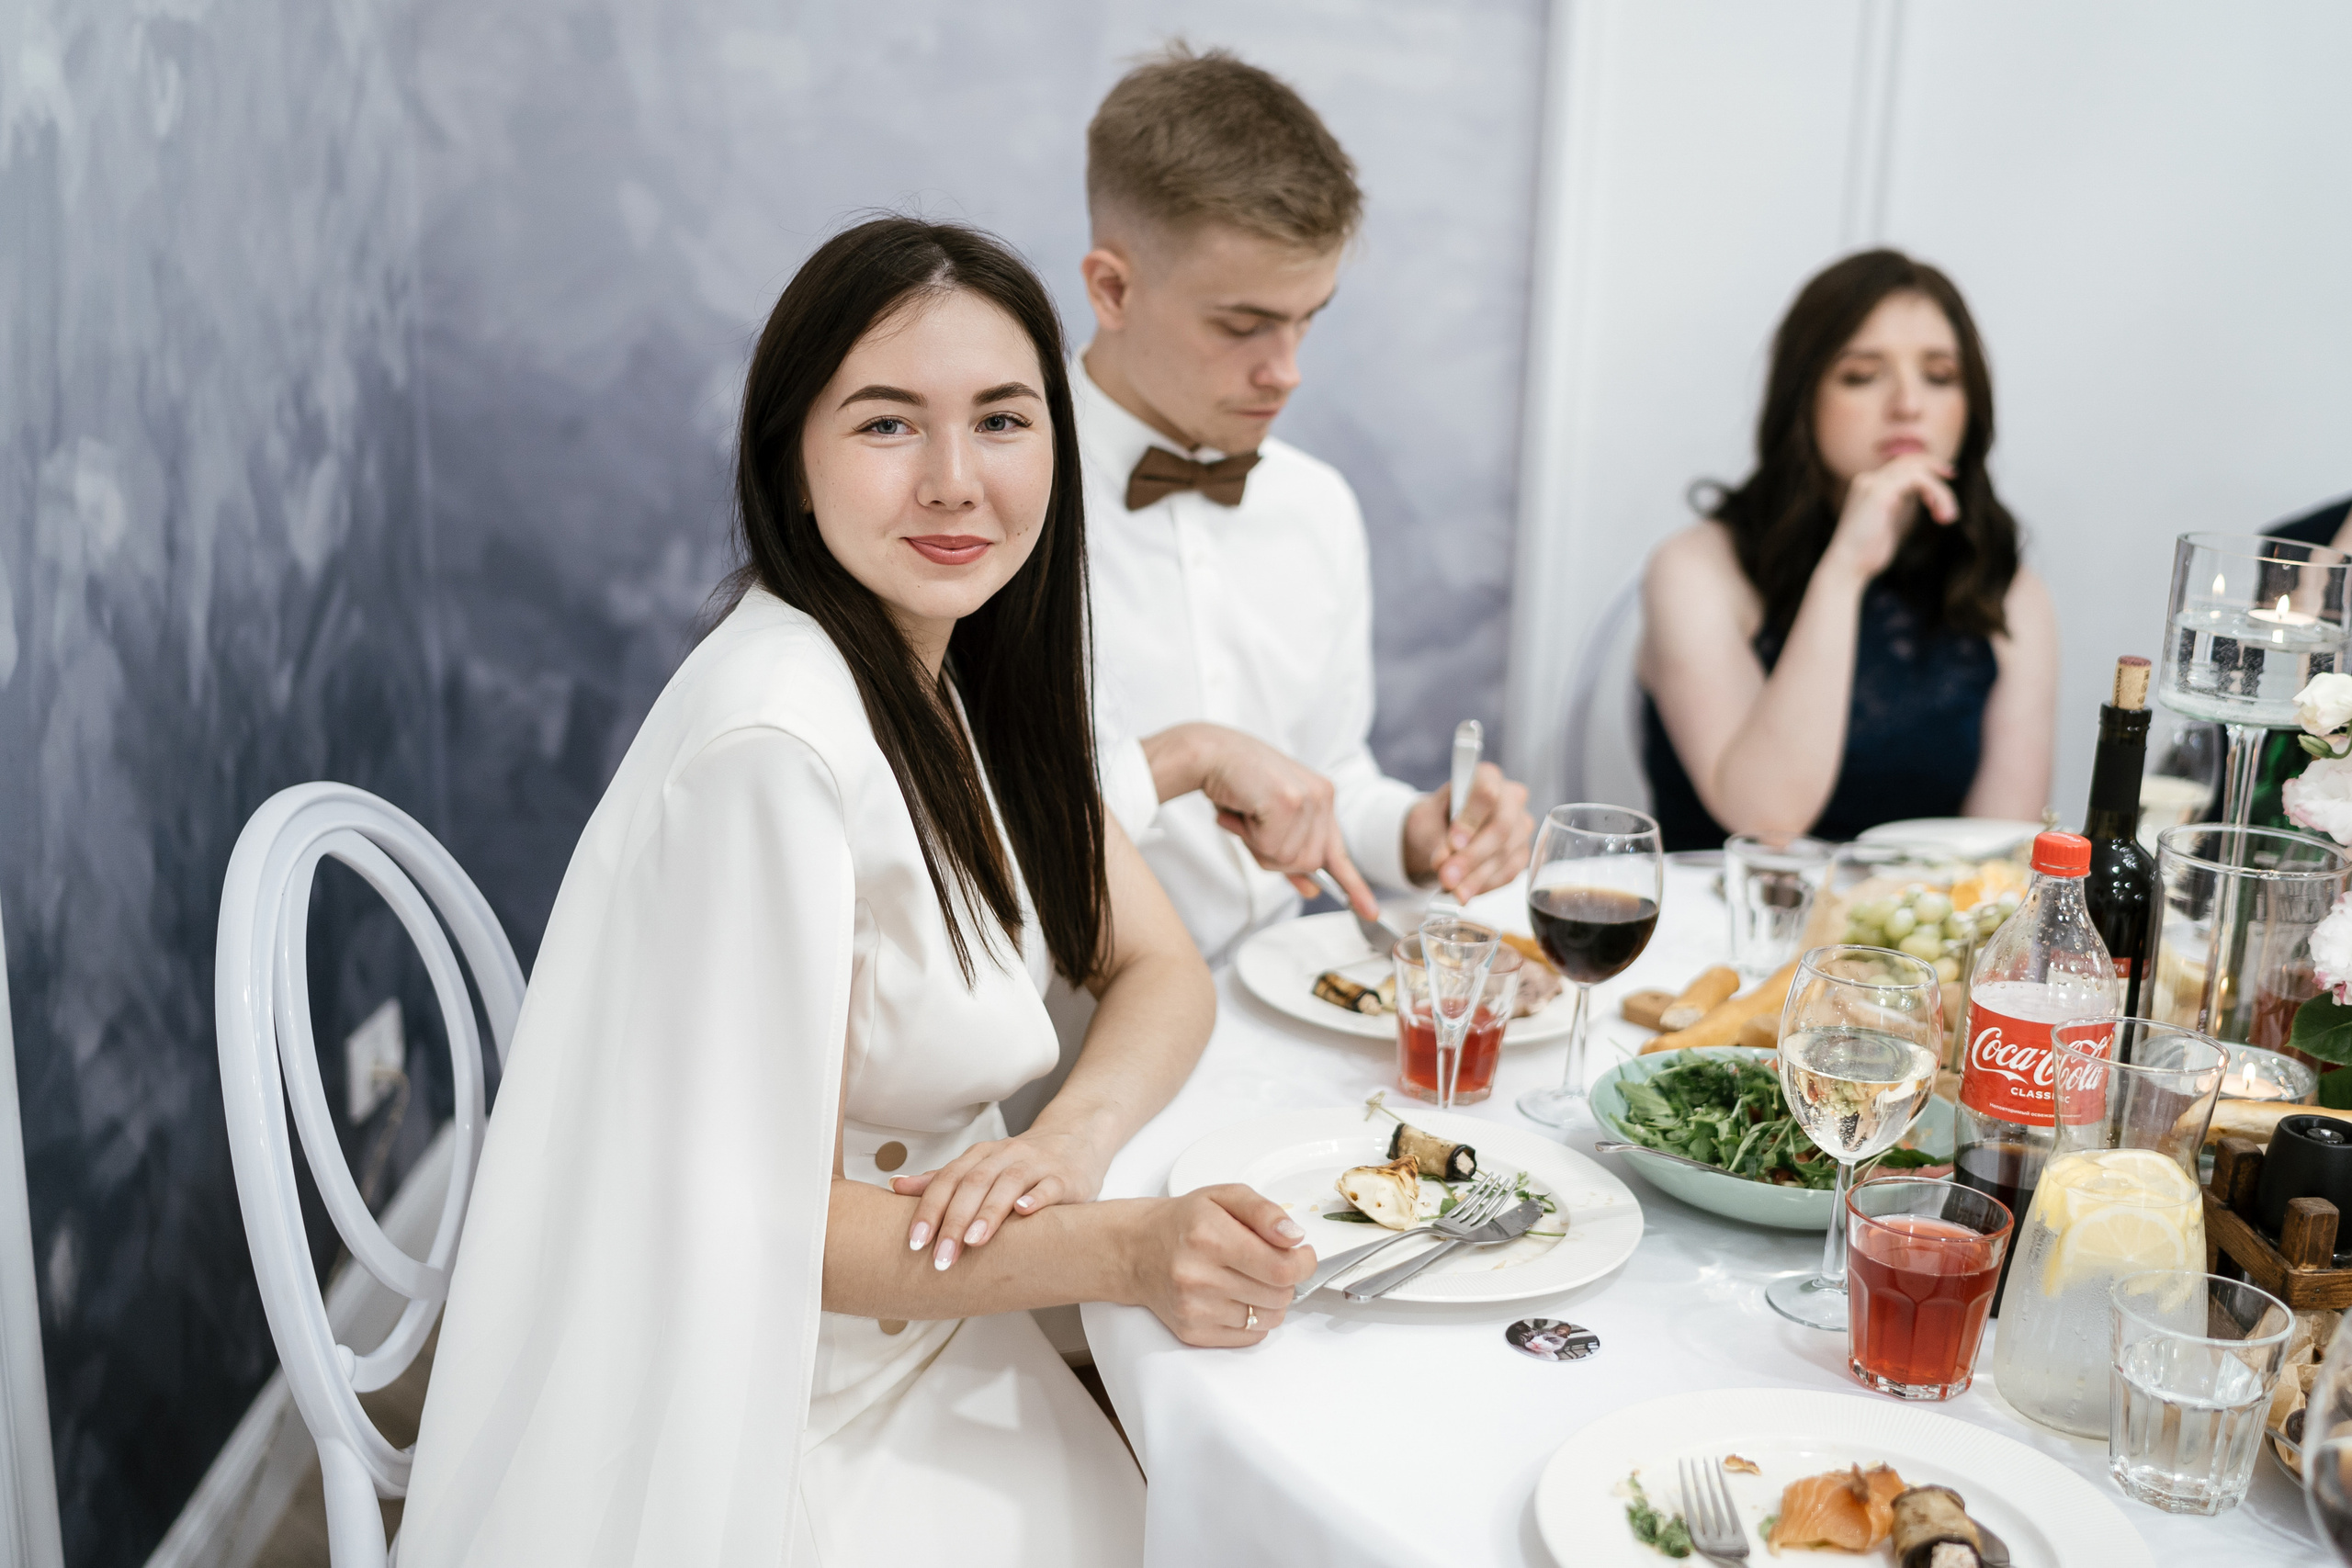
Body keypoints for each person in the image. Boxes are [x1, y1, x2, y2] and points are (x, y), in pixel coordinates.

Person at [399, 219, 1316, 1567]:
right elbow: (777, 1229)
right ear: (794, 457)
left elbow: (1162, 966)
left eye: (1002, 420)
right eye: (889, 426)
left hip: (932, 1325)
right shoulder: (777, 742)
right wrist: (1121, 1250)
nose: (956, 482)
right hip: (775, 1404)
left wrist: (1065, 1148)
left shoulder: (949, 662)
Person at [1074, 47, 1535, 964]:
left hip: (1266, 1030)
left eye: (1307, 319)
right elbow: (950, 836)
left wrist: (1415, 830)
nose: (1285, 371)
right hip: (1052, 1064)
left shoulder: (1316, 506)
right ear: (1112, 289)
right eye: (1242, 327)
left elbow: (1329, 782)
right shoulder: (978, 508)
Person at [1639, 249, 2058, 852]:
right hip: (1720, 935)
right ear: (1802, 396)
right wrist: (1844, 570)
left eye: (1940, 376)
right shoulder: (1695, 568)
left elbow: (1998, 858)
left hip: (1910, 940)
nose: (1908, 403)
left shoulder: (2009, 592)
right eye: (1863, 375)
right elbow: (1767, 819)